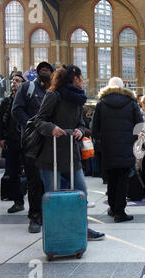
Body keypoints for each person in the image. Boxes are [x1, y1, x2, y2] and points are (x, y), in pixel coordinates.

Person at [34, 65, 104, 240]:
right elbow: (39, 121)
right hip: (51, 156)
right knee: (54, 195)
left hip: (71, 156)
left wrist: (80, 130)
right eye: (82, 77)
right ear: (75, 79)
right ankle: (56, 233)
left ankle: (82, 229)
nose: (84, 81)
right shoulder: (53, 95)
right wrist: (52, 128)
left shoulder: (78, 100)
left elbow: (80, 123)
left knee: (81, 192)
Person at [92, 77, 143, 223]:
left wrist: (103, 142)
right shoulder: (131, 103)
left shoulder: (101, 104)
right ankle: (120, 212)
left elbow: (94, 129)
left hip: (108, 148)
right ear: (123, 87)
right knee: (122, 179)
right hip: (126, 147)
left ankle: (113, 208)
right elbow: (139, 125)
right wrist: (131, 139)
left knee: (112, 179)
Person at [12, 61, 54, 233]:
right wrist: (32, 125)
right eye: (41, 68)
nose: (44, 70)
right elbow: (17, 110)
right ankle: (35, 216)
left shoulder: (55, 91)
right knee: (34, 182)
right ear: (37, 72)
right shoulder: (27, 88)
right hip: (32, 144)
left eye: (48, 69)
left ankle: (48, 215)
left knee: (49, 182)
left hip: (51, 144)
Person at [0, 72, 26, 213]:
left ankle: (34, 206)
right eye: (13, 80)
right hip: (11, 142)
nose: (15, 82)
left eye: (18, 80)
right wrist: (0, 138)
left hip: (26, 142)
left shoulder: (28, 101)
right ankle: (18, 201)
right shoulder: (6, 102)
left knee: (31, 173)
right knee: (12, 173)